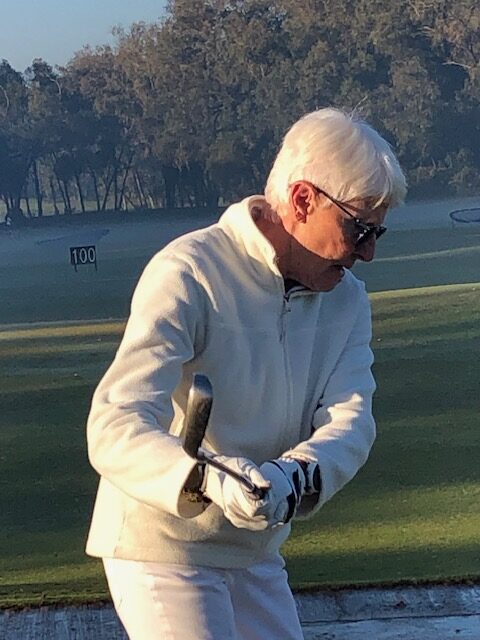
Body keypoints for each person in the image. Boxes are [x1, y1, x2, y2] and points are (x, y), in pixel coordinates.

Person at [86, 107, 407, 639]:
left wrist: (293, 477)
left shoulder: (347, 300)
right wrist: (205, 479)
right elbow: (115, 423)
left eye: (378, 232)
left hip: (255, 553)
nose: (368, 252)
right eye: (358, 229)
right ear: (302, 200)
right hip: (161, 547)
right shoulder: (189, 271)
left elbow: (352, 421)